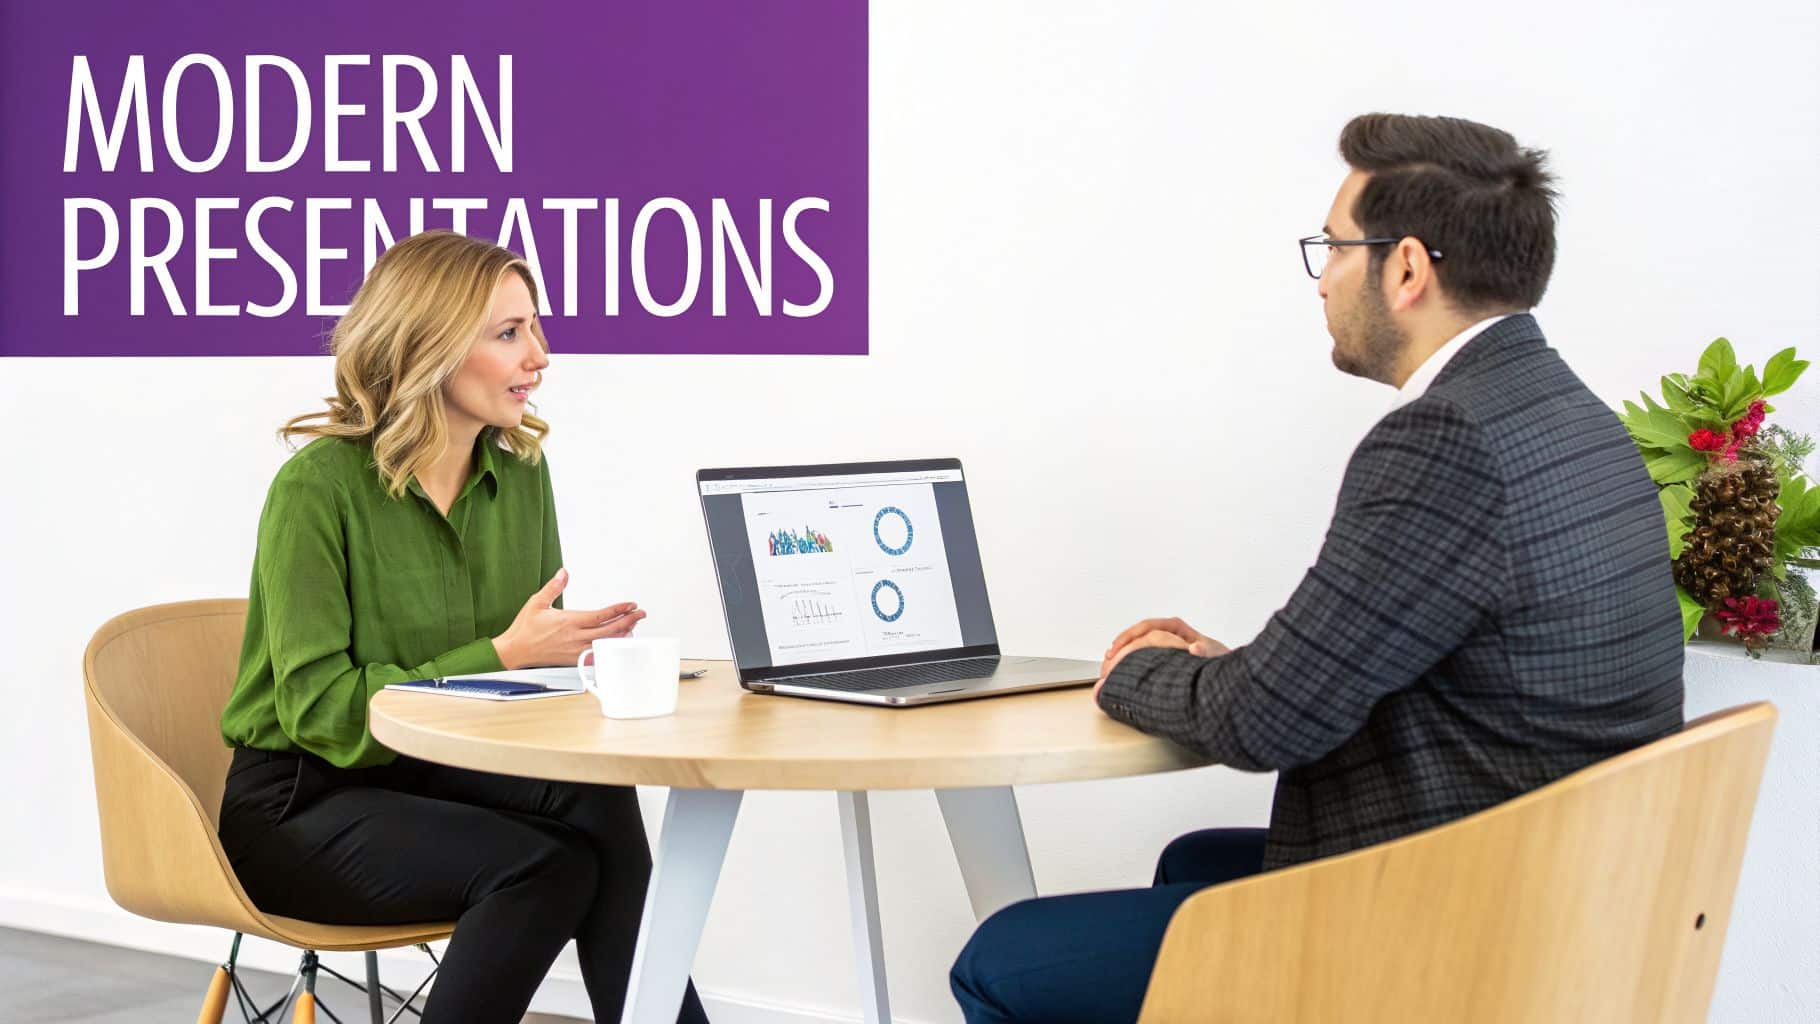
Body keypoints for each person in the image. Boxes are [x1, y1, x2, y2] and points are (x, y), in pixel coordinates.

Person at [949, 113, 1686, 1023]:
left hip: (1451, 935)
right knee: (1194, 863)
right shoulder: (1567, 416)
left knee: (1002, 959)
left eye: (1333, 248)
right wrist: (1235, 672)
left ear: (1407, 268)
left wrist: (1136, 674)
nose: (1324, 280)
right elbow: (1386, 662)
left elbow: (1265, 725)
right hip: (1559, 899)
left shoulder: (1445, 438)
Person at [216, 230, 709, 1023]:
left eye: (536, 328)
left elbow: (520, 681)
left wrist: (574, 662)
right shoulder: (316, 489)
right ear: (430, 347)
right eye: (510, 333)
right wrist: (502, 653)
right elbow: (316, 709)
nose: (540, 357)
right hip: (301, 801)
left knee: (596, 804)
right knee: (544, 868)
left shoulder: (519, 473)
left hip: (436, 769)